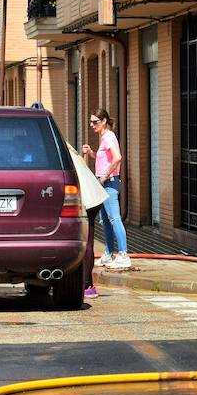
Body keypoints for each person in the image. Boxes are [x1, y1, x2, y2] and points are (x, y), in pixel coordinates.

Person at [81, 108, 131, 271]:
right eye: (91, 122)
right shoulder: (104, 138)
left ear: (103, 122)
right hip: (102, 183)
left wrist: (104, 177)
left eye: (95, 122)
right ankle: (109, 253)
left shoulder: (109, 137)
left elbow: (117, 158)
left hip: (109, 183)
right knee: (106, 221)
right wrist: (91, 153)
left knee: (114, 218)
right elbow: (105, 159)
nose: (92, 125)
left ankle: (123, 255)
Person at [66, 141, 109, 299]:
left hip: (88, 199)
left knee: (86, 242)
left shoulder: (59, 151)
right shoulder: (67, 148)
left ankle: (86, 285)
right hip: (92, 195)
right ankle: (88, 284)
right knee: (87, 241)